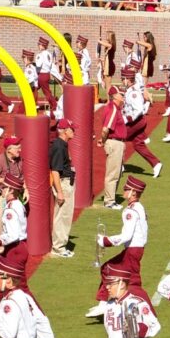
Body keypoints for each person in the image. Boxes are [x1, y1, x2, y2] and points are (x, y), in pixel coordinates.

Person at [87, 176, 149, 317]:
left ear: (133, 192)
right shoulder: (139, 207)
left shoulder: (130, 211)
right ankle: (104, 303)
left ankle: (142, 307)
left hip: (133, 250)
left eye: (127, 189)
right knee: (108, 269)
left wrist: (105, 241)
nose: (124, 190)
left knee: (132, 281)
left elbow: (126, 236)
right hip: (135, 249)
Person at [121, 68, 162, 177]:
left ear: (127, 79)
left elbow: (138, 109)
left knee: (118, 137)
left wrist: (127, 119)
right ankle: (156, 163)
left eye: (123, 79)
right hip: (137, 121)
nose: (121, 81)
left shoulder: (133, 92)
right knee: (138, 144)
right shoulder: (131, 89)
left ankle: (119, 165)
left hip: (136, 121)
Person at [0, 173, 28, 271]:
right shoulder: (17, 203)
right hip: (20, 247)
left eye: (4, 187)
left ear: (11, 190)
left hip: (15, 249)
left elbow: (13, 235)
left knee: (9, 280)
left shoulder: (10, 210)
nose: (1, 189)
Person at [49, 119, 75, 258]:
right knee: (62, 216)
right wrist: (60, 192)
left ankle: (61, 245)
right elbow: (55, 171)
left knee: (65, 215)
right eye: (72, 129)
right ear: (65, 131)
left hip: (66, 183)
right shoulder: (59, 146)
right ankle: (58, 248)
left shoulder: (62, 144)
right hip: (63, 184)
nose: (74, 131)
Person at [99, 86, 127, 208]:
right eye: (121, 94)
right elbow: (105, 129)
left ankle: (111, 198)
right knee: (113, 173)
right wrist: (104, 140)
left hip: (116, 142)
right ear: (114, 96)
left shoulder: (113, 108)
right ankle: (109, 201)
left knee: (117, 172)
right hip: (115, 143)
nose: (123, 96)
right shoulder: (113, 109)